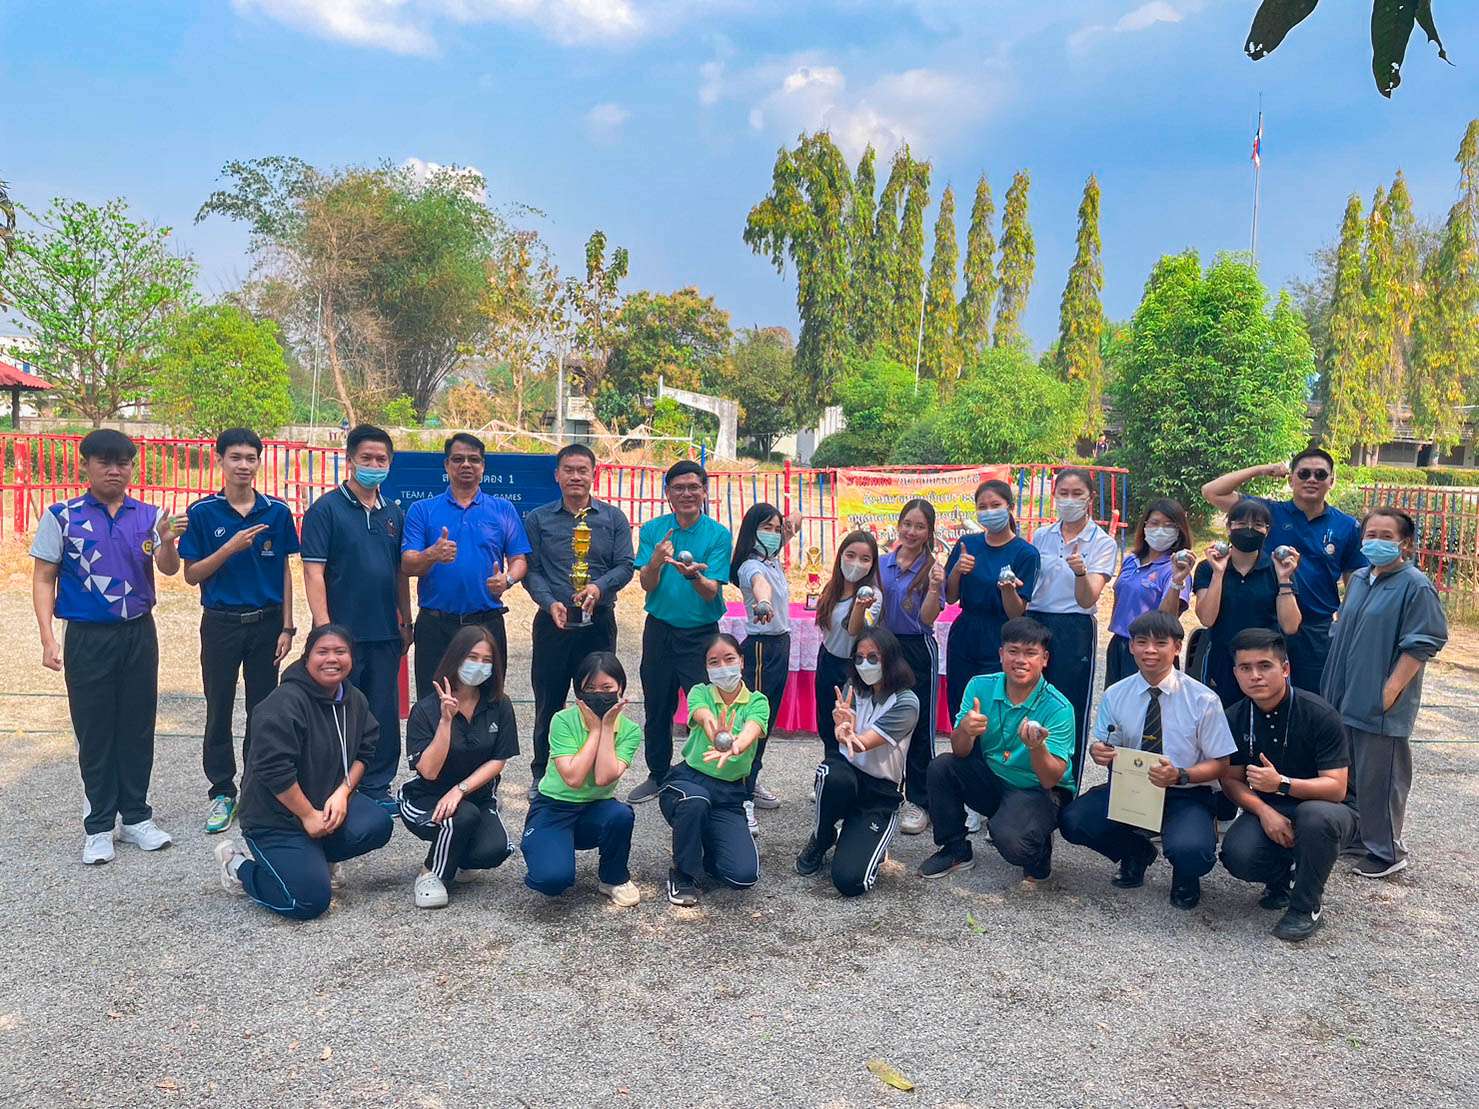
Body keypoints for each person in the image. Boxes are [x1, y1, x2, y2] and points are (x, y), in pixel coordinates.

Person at [31, 429, 180, 865]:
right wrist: (47, 637)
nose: (115, 471)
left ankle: (136, 818)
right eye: (105, 463)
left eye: (123, 463)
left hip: (138, 633)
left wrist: (168, 540)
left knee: (138, 726)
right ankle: (98, 826)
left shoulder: (150, 516)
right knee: (95, 731)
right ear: (86, 466)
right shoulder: (62, 517)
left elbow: (169, 569)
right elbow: (43, 578)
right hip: (87, 635)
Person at [214, 625, 395, 920]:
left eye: (340, 652)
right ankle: (238, 867)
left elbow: (365, 751)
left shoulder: (354, 700)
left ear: (351, 657)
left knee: (377, 824)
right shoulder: (283, 704)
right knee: (308, 901)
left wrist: (343, 792)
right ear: (306, 656)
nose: (332, 659)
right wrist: (308, 815)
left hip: (325, 804)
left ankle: (315, 859)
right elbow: (274, 769)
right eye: (322, 652)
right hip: (276, 819)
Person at [1059, 611, 1236, 909]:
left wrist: (1180, 774)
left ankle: (1185, 874)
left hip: (1185, 792)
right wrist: (1099, 752)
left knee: (1193, 851)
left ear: (1177, 647)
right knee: (1074, 821)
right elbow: (1106, 743)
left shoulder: (1203, 700)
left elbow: (1222, 763)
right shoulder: (1116, 694)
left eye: (1160, 643)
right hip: (1133, 788)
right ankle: (1135, 852)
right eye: (1141, 642)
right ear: (1131, 647)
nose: (1149, 650)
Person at [180, 428, 301, 835]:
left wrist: (288, 626)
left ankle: (257, 786)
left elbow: (284, 571)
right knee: (219, 707)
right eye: (235, 457)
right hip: (221, 623)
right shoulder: (202, 512)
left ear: (259, 462)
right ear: (220, 460)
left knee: (263, 710)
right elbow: (192, 574)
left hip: (267, 623)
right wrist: (229, 548)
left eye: (251, 458)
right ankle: (221, 791)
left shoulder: (276, 512)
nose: (244, 465)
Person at [1320, 507, 1448, 879]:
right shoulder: (1361, 578)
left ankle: (1387, 850)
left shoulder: (1415, 586)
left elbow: (1422, 644)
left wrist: (1388, 693)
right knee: (1350, 772)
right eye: (1370, 535)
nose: (1376, 542)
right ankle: (1359, 837)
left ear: (1404, 544)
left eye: (1386, 536)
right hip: (1344, 694)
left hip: (1379, 702)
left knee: (1382, 777)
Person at [1218, 629, 1358, 942]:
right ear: (1236, 673)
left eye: (1264, 666)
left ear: (1285, 669)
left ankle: (1306, 907)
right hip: (1271, 807)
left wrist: (1281, 784)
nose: (1255, 676)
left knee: (1314, 818)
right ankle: (1283, 877)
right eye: (1245, 668)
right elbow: (1230, 779)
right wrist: (1263, 811)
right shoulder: (1235, 717)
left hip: (1331, 808)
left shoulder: (1319, 714)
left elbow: (1336, 787)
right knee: (1238, 855)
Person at [300, 424, 412, 810]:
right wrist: (324, 629)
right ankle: (335, 784)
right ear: (350, 460)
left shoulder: (394, 513)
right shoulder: (325, 510)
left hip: (384, 632)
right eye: (366, 458)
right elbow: (313, 572)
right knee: (337, 711)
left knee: (382, 713)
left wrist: (406, 620)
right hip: (341, 636)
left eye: (381, 459)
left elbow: (399, 573)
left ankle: (378, 787)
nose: (373, 465)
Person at [918, 617, 1075, 885]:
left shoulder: (1059, 707)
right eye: (1013, 651)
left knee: (1014, 844)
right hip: (994, 778)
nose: (1020, 660)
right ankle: (955, 848)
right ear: (1001, 654)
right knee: (941, 766)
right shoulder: (980, 686)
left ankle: (1038, 845)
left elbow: (1050, 779)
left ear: (1045, 659)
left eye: (1030, 653)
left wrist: (1037, 748)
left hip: (1037, 789)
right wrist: (965, 729)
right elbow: (960, 751)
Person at [1201, 447, 1366, 691]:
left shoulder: (1347, 526)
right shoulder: (1267, 514)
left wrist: (1347, 623)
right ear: (1291, 479)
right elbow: (1211, 491)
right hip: (1269, 627)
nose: (1312, 479)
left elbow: (1355, 581)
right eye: (1304, 473)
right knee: (1261, 696)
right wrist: (1263, 469)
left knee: (1311, 699)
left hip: (1316, 629)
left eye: (1320, 474)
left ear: (1332, 481)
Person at [522, 443, 634, 800]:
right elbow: (532, 570)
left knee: (600, 698)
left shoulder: (613, 519)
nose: (575, 476)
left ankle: (599, 770)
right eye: (568, 470)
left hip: (598, 622)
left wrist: (599, 588)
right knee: (549, 700)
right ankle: (543, 772)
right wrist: (549, 602)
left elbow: (625, 565)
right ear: (557, 475)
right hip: (553, 622)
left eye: (582, 470)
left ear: (593, 474)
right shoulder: (538, 519)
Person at [628, 461, 733, 803]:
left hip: (702, 635)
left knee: (705, 707)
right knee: (657, 705)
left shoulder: (718, 535)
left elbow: (711, 592)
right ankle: (658, 773)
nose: (686, 493)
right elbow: (646, 584)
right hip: (659, 630)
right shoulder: (654, 530)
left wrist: (692, 575)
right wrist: (656, 560)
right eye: (678, 488)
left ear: (704, 491)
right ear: (668, 493)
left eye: (693, 487)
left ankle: (704, 772)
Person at [398, 626, 518, 909]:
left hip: (474, 795)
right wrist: (445, 722)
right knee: (461, 816)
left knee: (495, 850)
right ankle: (430, 873)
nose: (479, 665)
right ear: (456, 657)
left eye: (487, 660)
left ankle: (454, 852)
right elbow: (428, 771)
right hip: (427, 798)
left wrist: (460, 789)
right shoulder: (426, 709)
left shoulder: (499, 705)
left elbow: (498, 760)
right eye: (472, 657)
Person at [401, 433, 530, 696]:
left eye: (474, 459)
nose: (466, 465)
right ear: (446, 465)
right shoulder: (422, 510)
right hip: (436, 625)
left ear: (483, 466)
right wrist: (432, 554)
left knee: (487, 700)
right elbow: (407, 564)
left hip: (486, 624)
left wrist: (507, 579)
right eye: (458, 459)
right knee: (434, 701)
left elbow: (519, 560)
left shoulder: (503, 509)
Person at [796, 627, 918, 897]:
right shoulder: (853, 688)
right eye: (859, 658)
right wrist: (840, 729)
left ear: (891, 659)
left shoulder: (906, 702)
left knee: (851, 882)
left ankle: (861, 836)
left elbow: (865, 742)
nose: (865, 664)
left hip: (879, 791)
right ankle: (823, 836)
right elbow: (844, 729)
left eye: (873, 657)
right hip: (848, 774)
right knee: (829, 773)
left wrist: (848, 735)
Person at [523, 651, 642, 907]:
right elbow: (574, 778)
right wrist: (595, 730)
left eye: (607, 688)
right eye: (590, 688)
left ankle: (614, 878)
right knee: (552, 881)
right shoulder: (562, 720)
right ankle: (543, 844)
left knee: (621, 814)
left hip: (596, 808)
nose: (599, 694)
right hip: (554, 807)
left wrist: (607, 727)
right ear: (579, 691)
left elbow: (603, 777)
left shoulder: (630, 730)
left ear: (621, 687)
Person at [659, 633, 770, 905]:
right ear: (706, 667)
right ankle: (683, 875)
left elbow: (753, 728)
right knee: (696, 802)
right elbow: (703, 715)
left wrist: (736, 745)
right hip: (689, 781)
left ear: (742, 661)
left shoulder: (757, 701)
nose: (723, 667)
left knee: (743, 876)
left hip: (729, 794)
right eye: (714, 662)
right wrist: (716, 733)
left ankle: (705, 845)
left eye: (729, 659)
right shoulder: (700, 692)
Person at [1027, 467, 1119, 786]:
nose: (1069, 500)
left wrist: (1081, 573)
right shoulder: (1042, 536)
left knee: (1069, 704)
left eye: (1077, 494)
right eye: (1063, 493)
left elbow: (1088, 598)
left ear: (1090, 498)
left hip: (1074, 626)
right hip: (1035, 622)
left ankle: (1066, 786)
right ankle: (1026, 782)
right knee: (1029, 700)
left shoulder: (1102, 542)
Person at [730, 501, 802, 831]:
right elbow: (761, 585)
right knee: (754, 721)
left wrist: (786, 526)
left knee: (767, 722)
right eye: (766, 528)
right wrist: (763, 602)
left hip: (780, 645)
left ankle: (750, 777)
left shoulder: (771, 558)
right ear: (751, 531)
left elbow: (797, 519)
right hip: (761, 647)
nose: (773, 534)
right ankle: (741, 797)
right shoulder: (750, 565)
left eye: (776, 528)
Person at [877, 499, 947, 836]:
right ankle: (883, 792)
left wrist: (933, 587)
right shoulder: (881, 563)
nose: (911, 531)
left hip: (918, 648)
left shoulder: (933, 569)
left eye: (920, 526)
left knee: (919, 726)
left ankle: (922, 801)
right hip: (883, 647)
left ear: (929, 532)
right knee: (881, 720)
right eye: (907, 524)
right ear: (898, 524)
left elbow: (927, 617)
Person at [1192, 497, 1302, 708]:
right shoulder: (1208, 568)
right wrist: (1218, 573)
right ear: (1229, 527)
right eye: (1241, 523)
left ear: (1267, 531)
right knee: (1219, 719)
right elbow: (1207, 618)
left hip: (1266, 662)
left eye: (1258, 525)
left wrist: (1284, 578)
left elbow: (1290, 626)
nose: (1249, 529)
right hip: (1222, 660)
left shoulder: (1277, 567)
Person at [944, 479, 1039, 719]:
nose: (989, 512)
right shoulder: (967, 545)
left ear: (1010, 507)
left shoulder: (1026, 553)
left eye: (995, 505)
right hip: (965, 632)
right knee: (961, 703)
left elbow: (1016, 613)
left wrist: (1007, 590)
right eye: (982, 507)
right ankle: (961, 742)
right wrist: (957, 571)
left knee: (994, 707)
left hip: (1001, 636)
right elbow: (950, 597)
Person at [1105, 498, 1193, 687]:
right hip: (1120, 643)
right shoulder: (1131, 560)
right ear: (1145, 526)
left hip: (1151, 650)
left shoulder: (1175, 568)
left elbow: (1167, 619)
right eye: (1154, 523)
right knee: (1115, 698)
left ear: (1179, 531)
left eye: (1168, 525)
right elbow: (1119, 595)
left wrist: (1176, 581)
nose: (1160, 530)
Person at [812, 531, 884, 763]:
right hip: (827, 660)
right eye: (850, 555)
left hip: (853, 668)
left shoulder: (873, 596)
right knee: (826, 722)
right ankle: (830, 768)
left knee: (847, 723)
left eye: (865, 559)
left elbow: (855, 630)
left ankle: (847, 771)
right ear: (840, 556)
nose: (856, 563)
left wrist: (860, 607)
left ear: (872, 564)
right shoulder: (830, 589)